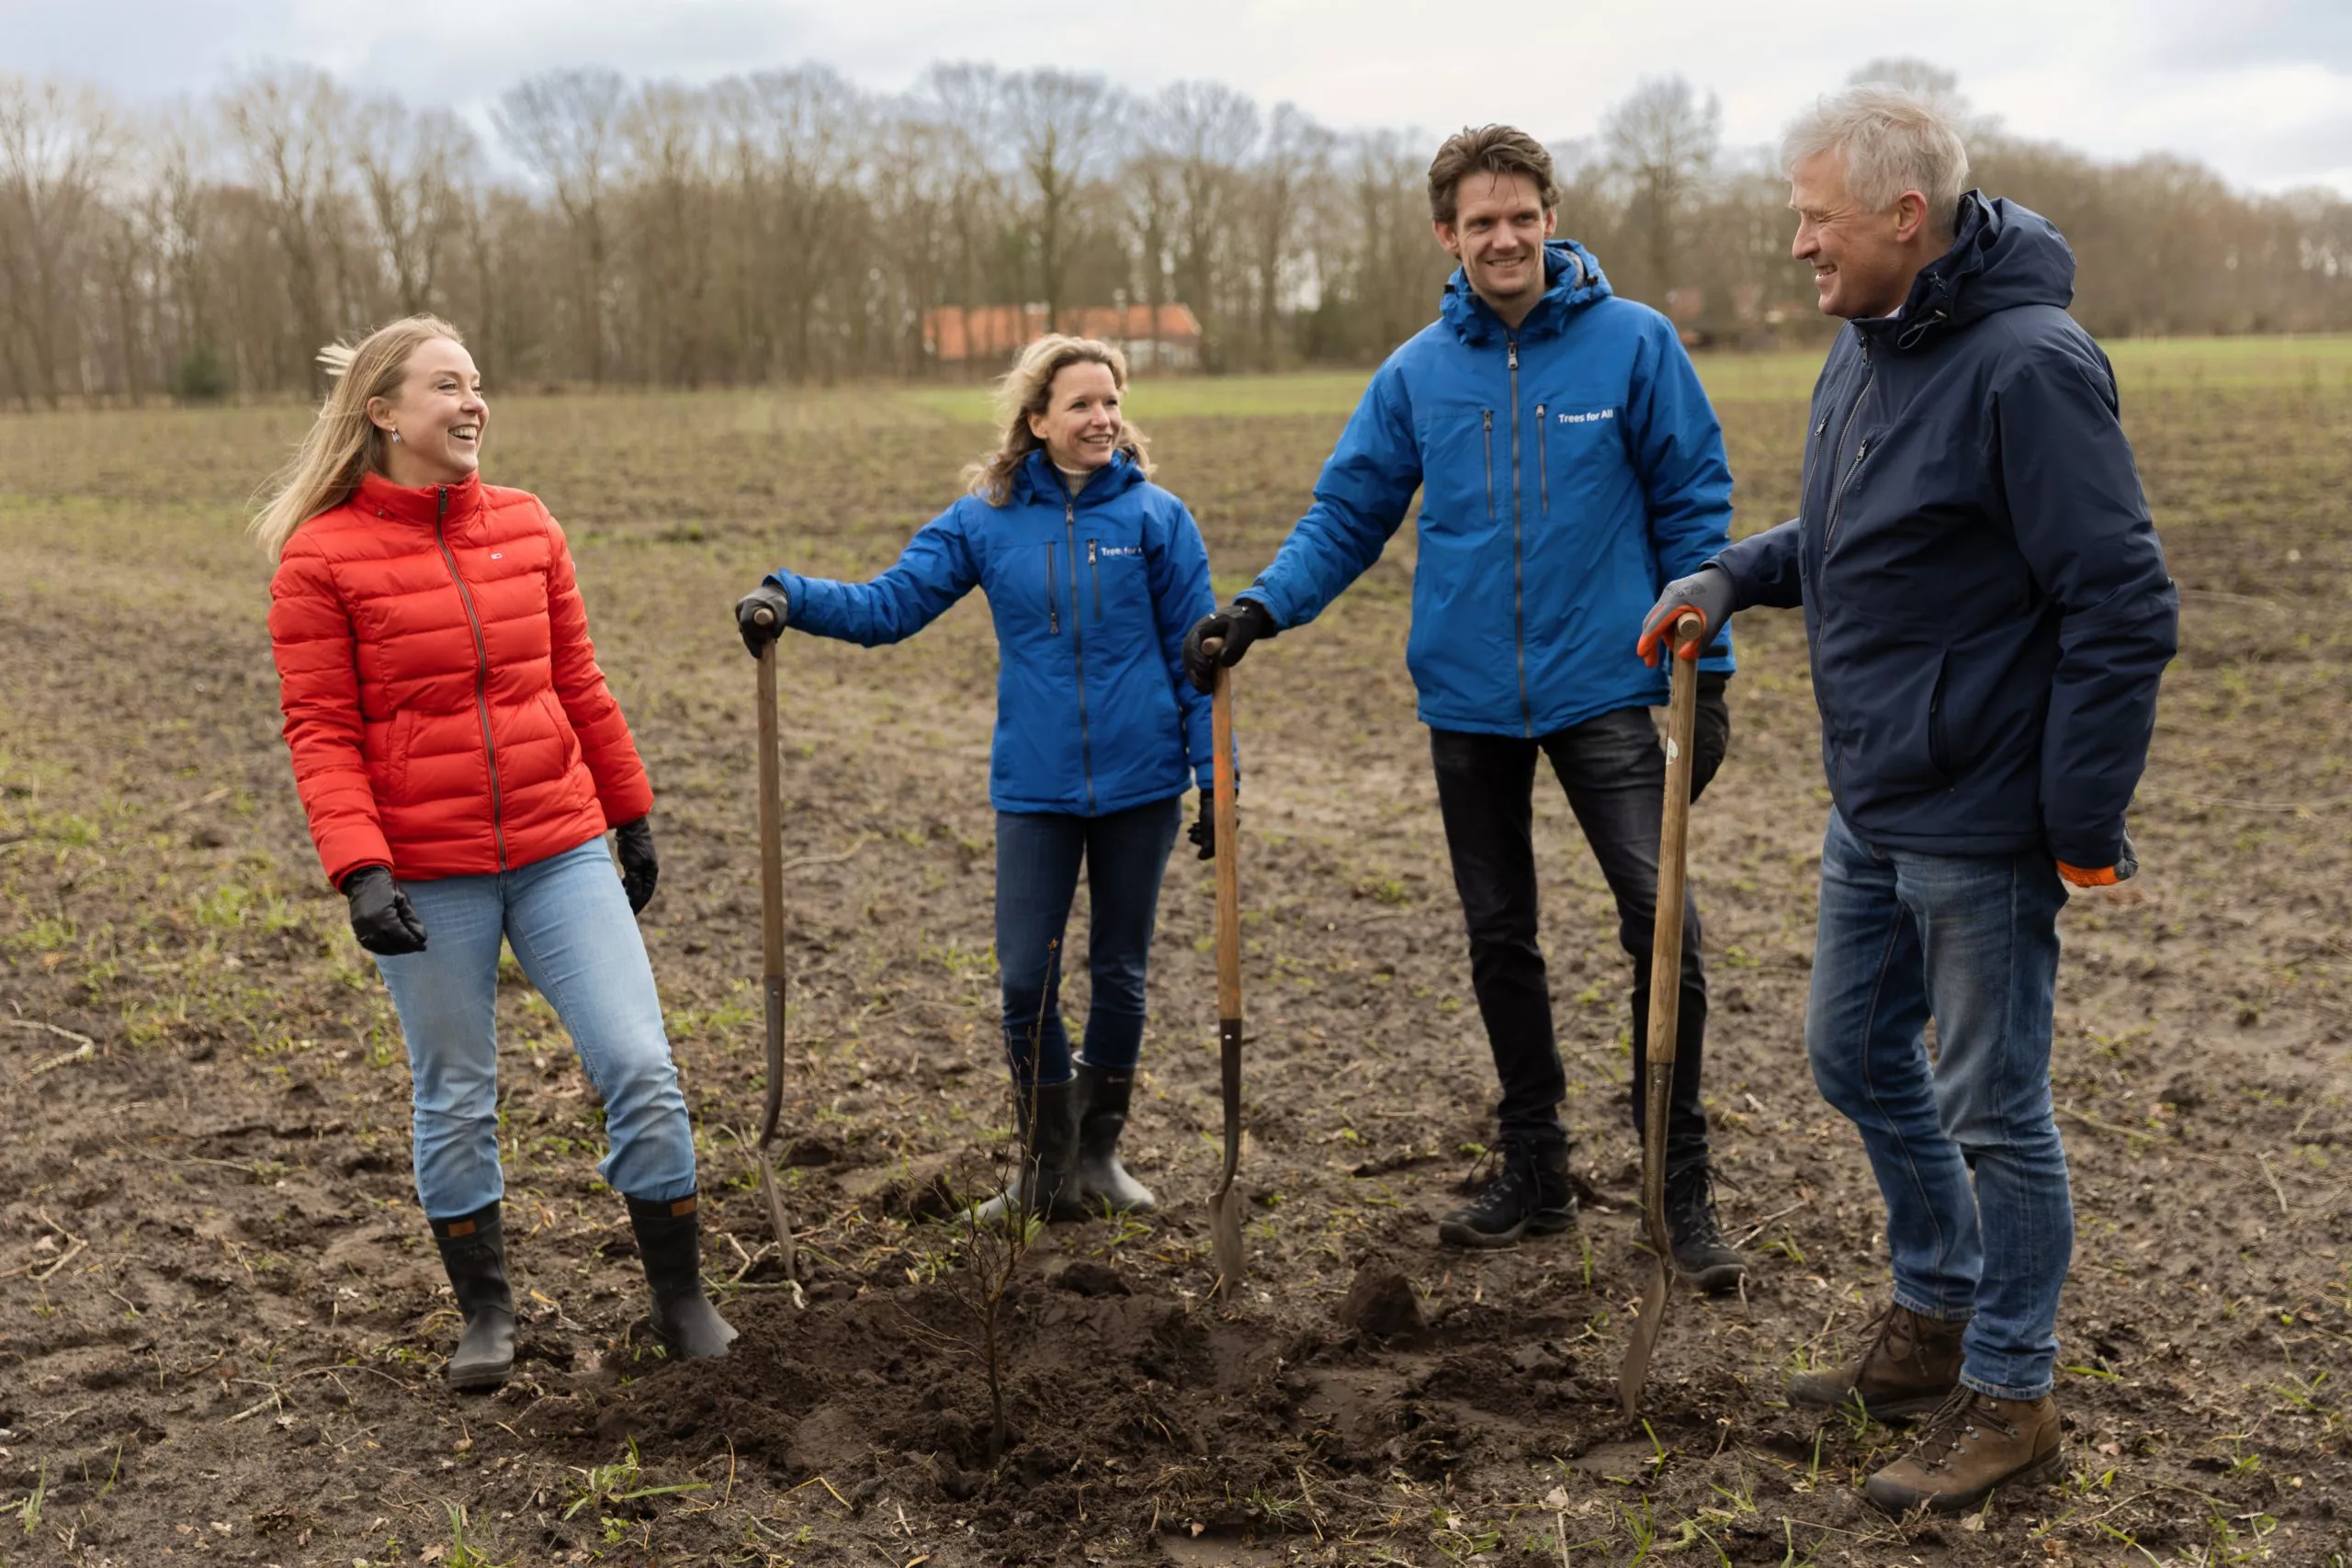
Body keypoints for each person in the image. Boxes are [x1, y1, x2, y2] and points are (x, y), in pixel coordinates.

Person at [1640, 86, 2178, 1513]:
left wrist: (2076, 819)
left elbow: (2122, 602)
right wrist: (1731, 574)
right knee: (1854, 1055)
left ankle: (2013, 1389)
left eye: (1817, 216)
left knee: (1994, 1105)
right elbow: (1852, 528)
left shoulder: (2030, 367)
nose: (1798, 241)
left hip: (1984, 811)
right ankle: (1935, 1311)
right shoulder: (1874, 346)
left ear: (1903, 217)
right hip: (1873, 794)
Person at [1183, 125, 1746, 1286]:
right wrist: (1260, 609)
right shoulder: (1414, 374)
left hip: (1607, 686)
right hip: (1470, 699)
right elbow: (1347, 516)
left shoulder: (1635, 345)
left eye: (1521, 215)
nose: (1504, 237)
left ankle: (1674, 1186)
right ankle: (1535, 1167)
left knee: (1664, 928)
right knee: (1501, 937)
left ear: (1551, 217)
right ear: (1448, 235)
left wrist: (1714, 668)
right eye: (1480, 222)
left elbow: (1696, 505)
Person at [259, 315, 734, 1392]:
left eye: (476, 385)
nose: (472, 404)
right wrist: (361, 868)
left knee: (642, 1067)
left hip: (559, 845)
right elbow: (322, 730)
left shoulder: (525, 526)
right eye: (446, 386)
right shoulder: (321, 559)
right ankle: (485, 1313)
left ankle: (681, 1299)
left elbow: (577, 681)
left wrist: (630, 809)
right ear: (383, 412)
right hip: (426, 870)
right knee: (456, 1089)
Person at [735, 334, 1216, 1224]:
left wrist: (1213, 777)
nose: (1102, 418)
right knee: (1024, 981)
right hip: (1033, 789)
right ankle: (1044, 1164)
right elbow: (889, 607)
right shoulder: (984, 521)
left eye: (1110, 401)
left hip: (1142, 783)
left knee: (1120, 971)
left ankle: (1099, 1159)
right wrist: (790, 596)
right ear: (1036, 421)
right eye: (1080, 404)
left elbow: (1198, 661)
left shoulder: (1158, 520)